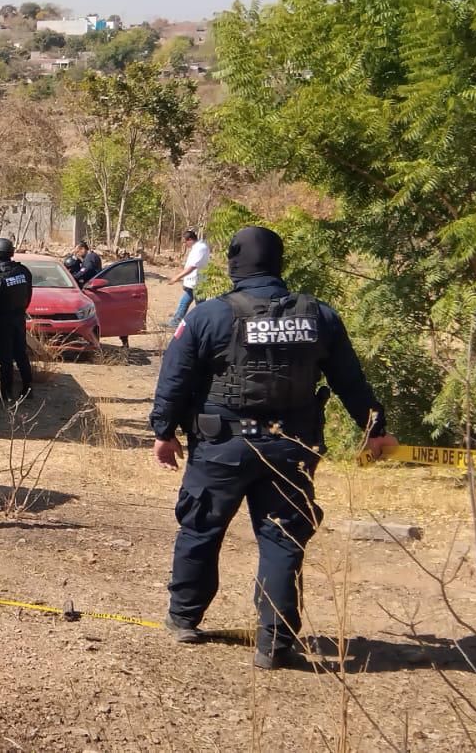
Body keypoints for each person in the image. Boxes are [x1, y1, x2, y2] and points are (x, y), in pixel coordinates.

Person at [149, 226, 397, 670]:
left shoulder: (208, 315)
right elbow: (350, 381)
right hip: (292, 447)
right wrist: (375, 428)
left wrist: (164, 432)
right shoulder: (319, 315)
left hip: (221, 447)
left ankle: (185, 618)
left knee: (201, 529)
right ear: (279, 262)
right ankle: (276, 642)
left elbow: (174, 378)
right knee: (283, 539)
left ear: (233, 261)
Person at [0, 237, 34, 402]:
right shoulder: (24, 271)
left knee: (5, 358)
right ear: (11, 253)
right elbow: (28, 295)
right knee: (21, 354)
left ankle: (6, 393)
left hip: (2, 321)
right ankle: (28, 389)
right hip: (19, 318)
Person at [168, 230, 209, 325]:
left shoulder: (200, 248)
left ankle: (203, 324)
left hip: (198, 282)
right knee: (185, 302)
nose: (185, 244)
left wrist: (177, 277)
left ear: (190, 239)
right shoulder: (198, 247)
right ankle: (175, 322)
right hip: (194, 282)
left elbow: (193, 266)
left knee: (201, 306)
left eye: (185, 242)